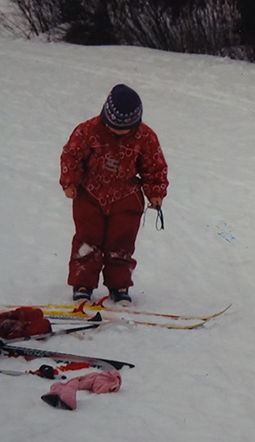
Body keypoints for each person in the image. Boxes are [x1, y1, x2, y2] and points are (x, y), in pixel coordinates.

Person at [59, 84, 168, 306]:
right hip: (89, 194)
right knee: (87, 239)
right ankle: (83, 284)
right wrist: (70, 182)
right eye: (114, 126)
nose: (119, 132)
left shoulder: (145, 137)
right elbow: (71, 156)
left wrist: (155, 191)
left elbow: (154, 167)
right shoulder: (87, 131)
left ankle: (119, 286)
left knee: (122, 242)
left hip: (126, 197)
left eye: (125, 128)